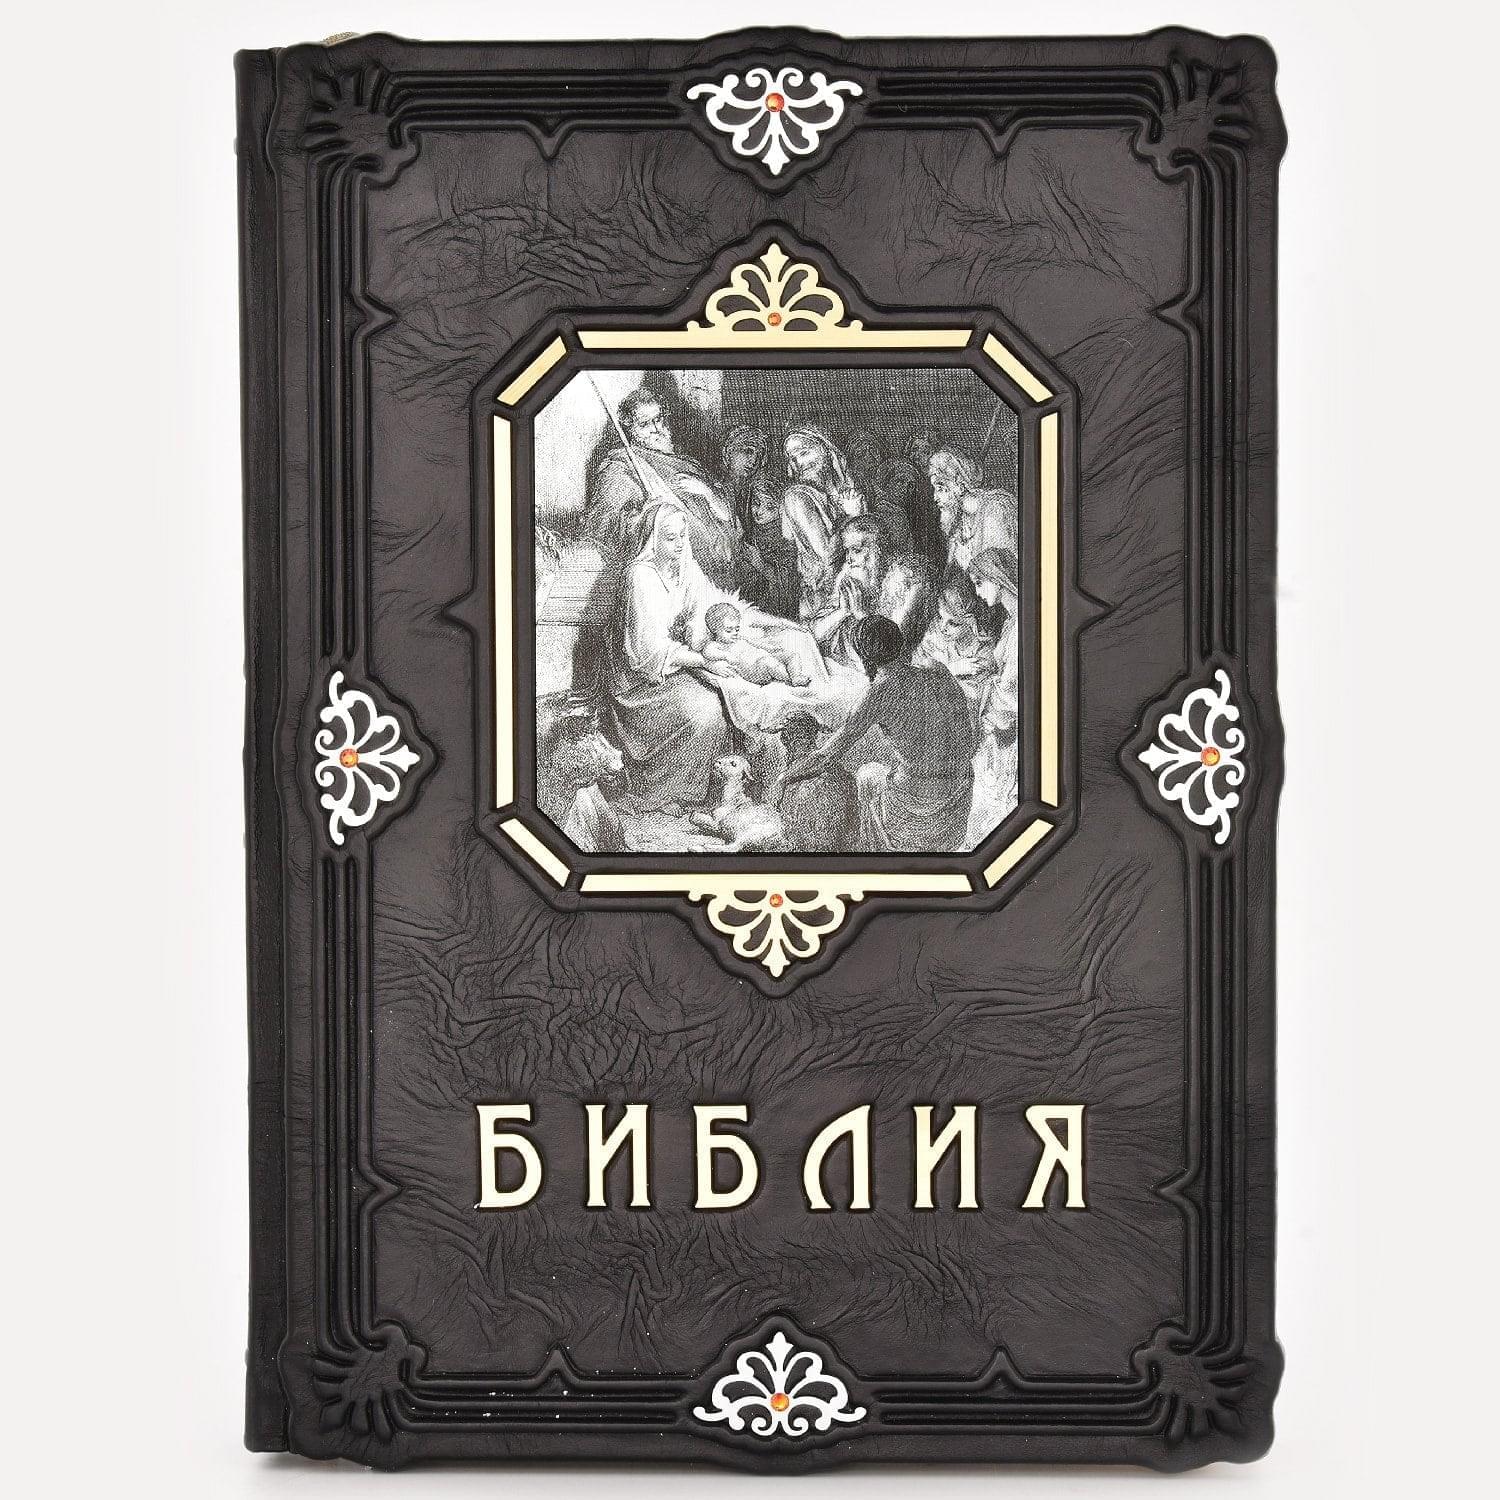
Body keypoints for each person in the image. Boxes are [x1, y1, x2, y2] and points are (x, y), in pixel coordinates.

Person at [606, 503, 795, 811]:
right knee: (707, 712)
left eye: (683, 535)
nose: (680, 544)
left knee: (733, 697)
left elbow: (710, 610)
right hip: (640, 680)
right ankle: (667, 790)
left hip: (680, 664)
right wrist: (705, 661)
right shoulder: (641, 576)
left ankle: (708, 790)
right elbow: (649, 650)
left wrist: (718, 642)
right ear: (653, 540)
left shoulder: (686, 566)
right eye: (670, 538)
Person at [782, 615, 978, 853]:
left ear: (864, 655)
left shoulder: (877, 694)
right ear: (898, 641)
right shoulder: (936, 669)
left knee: (867, 776)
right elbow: (968, 740)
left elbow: (826, 756)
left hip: (920, 816)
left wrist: (785, 777)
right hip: (958, 804)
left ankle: (878, 856)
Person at [587, 390, 744, 589]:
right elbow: (605, 522)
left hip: (725, 563)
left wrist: (708, 492)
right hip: (680, 572)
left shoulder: (686, 463)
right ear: (629, 428)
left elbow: (729, 517)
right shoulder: (622, 467)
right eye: (644, 424)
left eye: (658, 419)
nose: (655, 429)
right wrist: (650, 515)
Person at [811, 515, 935, 663]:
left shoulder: (908, 579)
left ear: (880, 551)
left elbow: (890, 650)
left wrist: (861, 615)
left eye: (857, 550)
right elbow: (813, 635)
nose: (849, 559)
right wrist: (842, 611)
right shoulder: (850, 574)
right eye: (847, 551)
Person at [912, 569, 999, 715]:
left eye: (953, 623)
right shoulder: (935, 635)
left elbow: (970, 700)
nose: (943, 627)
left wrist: (937, 671)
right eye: (941, 617)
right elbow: (914, 677)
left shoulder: (984, 653)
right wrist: (951, 670)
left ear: (973, 623)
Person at [930, 446, 1017, 574]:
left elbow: (1002, 574)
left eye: (941, 488)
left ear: (960, 485)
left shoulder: (995, 510)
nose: (935, 497)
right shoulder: (959, 523)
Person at [701, 602, 809, 687]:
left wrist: (770, 648)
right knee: (768, 662)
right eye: (729, 630)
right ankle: (789, 678)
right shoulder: (716, 645)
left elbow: (756, 644)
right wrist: (726, 656)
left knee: (792, 655)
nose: (734, 633)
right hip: (754, 671)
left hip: (765, 657)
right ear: (714, 629)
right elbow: (707, 652)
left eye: (736, 629)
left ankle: (796, 676)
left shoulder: (740, 638)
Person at [780, 481, 842, 623]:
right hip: (821, 589)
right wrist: (851, 515)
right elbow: (826, 553)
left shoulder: (824, 491)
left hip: (822, 587)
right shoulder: (797, 497)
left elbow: (787, 535)